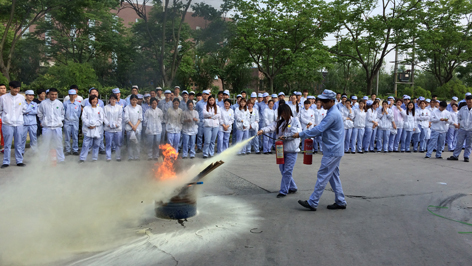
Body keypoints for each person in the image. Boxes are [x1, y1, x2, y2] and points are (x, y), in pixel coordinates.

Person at [293, 89, 347, 211]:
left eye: (324, 101)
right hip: (333, 149)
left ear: (332, 101)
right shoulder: (332, 112)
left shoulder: (332, 114)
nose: (321, 103)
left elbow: (318, 130)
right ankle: (340, 201)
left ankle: (313, 202)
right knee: (333, 175)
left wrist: (300, 134)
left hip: (333, 150)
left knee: (323, 175)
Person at [257, 104, 302, 198]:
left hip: (292, 150)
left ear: (289, 112)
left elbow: (295, 133)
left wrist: (285, 137)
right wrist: (262, 130)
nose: (284, 115)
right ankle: (292, 187)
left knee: (287, 171)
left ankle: (283, 191)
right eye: (282, 114)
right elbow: (270, 127)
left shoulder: (295, 120)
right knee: (283, 170)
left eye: (285, 113)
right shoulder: (279, 122)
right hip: (281, 149)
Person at [0, 81, 26, 168]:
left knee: (18, 143)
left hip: (19, 123)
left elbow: (24, 109)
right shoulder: (3, 98)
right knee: (7, 144)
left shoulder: (21, 98)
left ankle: (19, 160)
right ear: (10, 87)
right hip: (7, 124)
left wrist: (19, 117)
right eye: (15, 88)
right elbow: (0, 110)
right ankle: (6, 161)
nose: (17, 90)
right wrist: (6, 117)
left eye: (18, 88)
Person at [37, 88, 65, 164]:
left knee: (59, 144)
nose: (54, 96)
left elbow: (62, 113)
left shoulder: (59, 103)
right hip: (47, 127)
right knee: (45, 144)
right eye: (52, 94)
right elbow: (40, 114)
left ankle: (61, 159)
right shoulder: (43, 103)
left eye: (55, 94)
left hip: (57, 127)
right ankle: (43, 160)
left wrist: (59, 120)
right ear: (48, 95)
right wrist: (43, 121)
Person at [79, 95, 104, 163]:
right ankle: (82, 158)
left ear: (97, 101)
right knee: (85, 144)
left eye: (96, 99)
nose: (94, 101)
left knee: (96, 145)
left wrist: (94, 125)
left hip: (97, 129)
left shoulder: (100, 109)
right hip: (88, 129)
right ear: (90, 100)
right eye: (93, 99)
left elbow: (101, 119)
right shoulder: (86, 108)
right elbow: (84, 118)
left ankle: (94, 158)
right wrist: (89, 125)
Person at [447, 95, 472, 162]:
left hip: (470, 130)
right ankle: (455, 155)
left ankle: (466, 156)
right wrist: (459, 123)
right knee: (459, 143)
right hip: (462, 128)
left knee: (469, 144)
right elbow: (459, 117)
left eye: (470, 100)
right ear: (466, 100)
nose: (468, 102)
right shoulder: (463, 108)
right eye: (467, 100)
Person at [104, 94, 123, 162]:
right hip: (108, 129)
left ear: (116, 100)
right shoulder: (106, 107)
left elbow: (120, 117)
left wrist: (117, 124)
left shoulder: (119, 107)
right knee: (108, 143)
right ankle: (108, 157)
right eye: (111, 99)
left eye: (114, 99)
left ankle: (118, 156)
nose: (113, 100)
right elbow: (104, 117)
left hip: (117, 129)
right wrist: (108, 124)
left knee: (118, 143)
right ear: (109, 99)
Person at [63, 89, 82, 156]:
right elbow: (63, 112)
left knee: (75, 136)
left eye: (74, 95)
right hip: (67, 122)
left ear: (76, 95)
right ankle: (68, 150)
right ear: (69, 95)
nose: (72, 96)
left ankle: (75, 149)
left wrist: (76, 119)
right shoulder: (65, 103)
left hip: (75, 122)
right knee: (67, 137)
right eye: (71, 95)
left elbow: (79, 113)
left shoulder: (78, 104)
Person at [124, 94, 143, 161]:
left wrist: (135, 126)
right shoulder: (127, 108)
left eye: (135, 100)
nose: (134, 101)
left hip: (138, 128)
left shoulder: (139, 107)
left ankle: (137, 156)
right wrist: (132, 126)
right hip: (130, 128)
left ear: (137, 100)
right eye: (132, 100)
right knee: (130, 144)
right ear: (130, 100)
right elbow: (126, 118)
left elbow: (140, 118)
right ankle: (130, 157)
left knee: (137, 143)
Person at [22, 90, 38, 155]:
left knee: (33, 138)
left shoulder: (35, 104)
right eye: (30, 95)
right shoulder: (22, 103)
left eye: (32, 95)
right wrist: (30, 110)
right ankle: (21, 151)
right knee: (22, 138)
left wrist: (26, 111)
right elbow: (21, 111)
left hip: (33, 123)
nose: (31, 97)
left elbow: (36, 111)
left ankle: (34, 152)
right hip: (24, 123)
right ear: (26, 96)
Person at [0, 83, 7, 153]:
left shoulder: (7, 98)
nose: (3, 89)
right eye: (1, 88)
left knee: (4, 133)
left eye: (4, 88)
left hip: (4, 118)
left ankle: (3, 147)